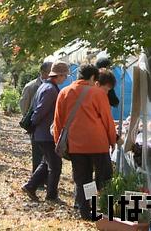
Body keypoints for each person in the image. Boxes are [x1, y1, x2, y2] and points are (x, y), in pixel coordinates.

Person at [53, 64, 117, 221]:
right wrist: (112, 139)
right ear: (93, 78)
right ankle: (105, 207)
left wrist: (59, 143)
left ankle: (86, 210)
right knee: (105, 177)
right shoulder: (97, 93)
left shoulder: (64, 92)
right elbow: (107, 120)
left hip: (76, 146)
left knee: (83, 179)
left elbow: (58, 122)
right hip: (98, 144)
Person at [21, 61, 69, 202]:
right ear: (58, 75)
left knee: (46, 163)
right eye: (64, 76)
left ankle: (30, 186)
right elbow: (40, 111)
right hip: (46, 134)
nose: (65, 79)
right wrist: (34, 125)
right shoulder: (50, 90)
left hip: (43, 133)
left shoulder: (45, 86)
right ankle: (51, 196)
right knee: (55, 165)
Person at [19, 61, 53, 174]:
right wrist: (30, 122)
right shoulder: (31, 86)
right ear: (43, 72)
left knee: (47, 156)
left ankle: (42, 178)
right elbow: (24, 105)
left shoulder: (53, 85)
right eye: (51, 71)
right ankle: (36, 180)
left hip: (49, 126)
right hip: (35, 125)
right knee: (37, 154)